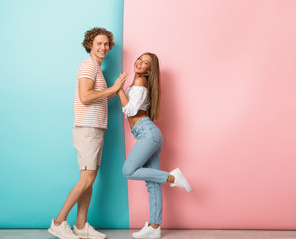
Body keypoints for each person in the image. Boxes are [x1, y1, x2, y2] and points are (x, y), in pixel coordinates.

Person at [48, 27, 127, 239]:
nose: (103, 47)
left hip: (95, 129)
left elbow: (96, 97)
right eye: (99, 43)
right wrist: (114, 88)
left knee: (89, 179)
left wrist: (113, 90)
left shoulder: (96, 68)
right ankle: (58, 222)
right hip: (87, 130)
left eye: (106, 44)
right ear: (90, 44)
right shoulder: (88, 65)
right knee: (86, 179)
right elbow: (85, 96)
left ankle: (81, 226)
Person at [117, 52, 192, 239]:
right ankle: (154, 226)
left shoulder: (140, 83)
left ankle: (173, 177)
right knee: (152, 183)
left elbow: (131, 110)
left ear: (150, 70)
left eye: (146, 63)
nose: (140, 63)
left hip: (147, 133)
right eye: (140, 59)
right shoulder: (138, 84)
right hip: (148, 133)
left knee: (128, 171)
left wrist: (118, 89)